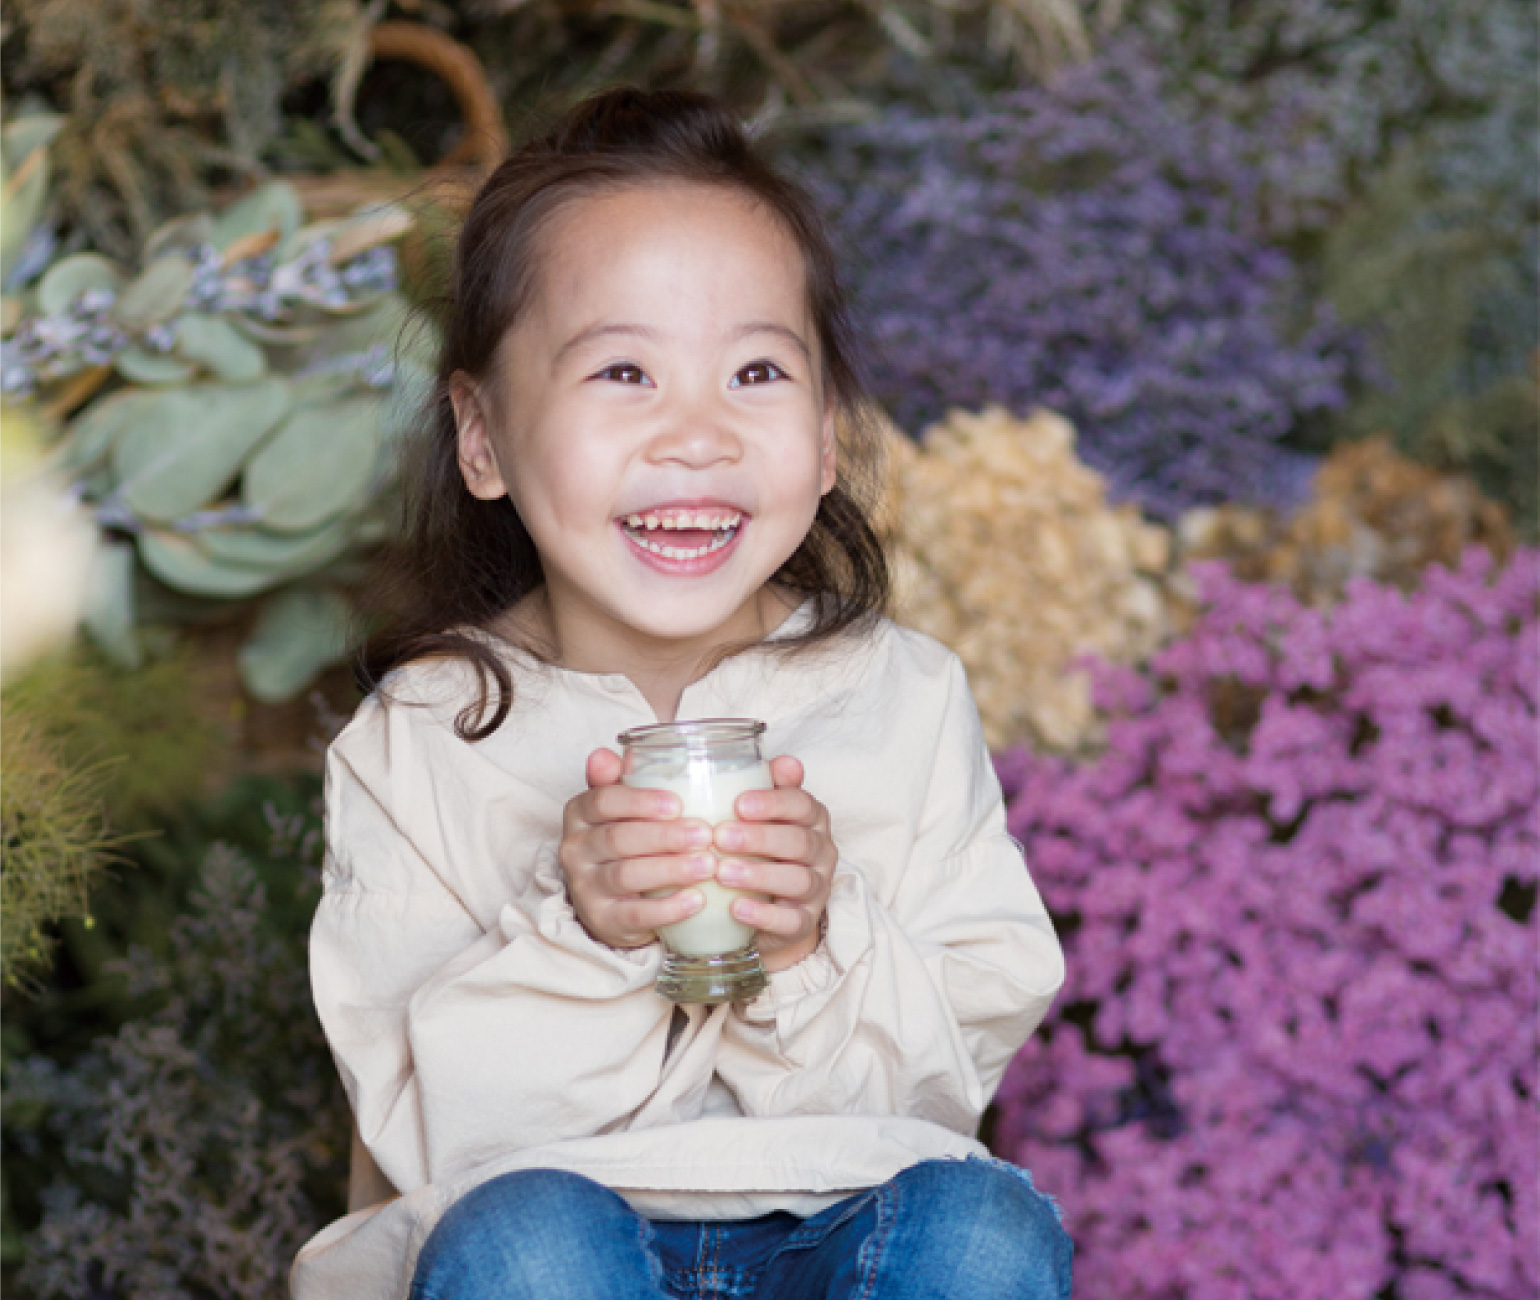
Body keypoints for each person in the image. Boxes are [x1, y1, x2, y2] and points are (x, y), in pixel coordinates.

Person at [293, 87, 1070, 1300]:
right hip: (556, 1244)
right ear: (482, 435)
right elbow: (427, 1128)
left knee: (985, 1229)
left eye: (756, 370)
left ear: (825, 436)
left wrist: (815, 942)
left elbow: (943, 1087)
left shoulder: (902, 697)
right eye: (622, 371)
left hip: (839, 1230)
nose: (697, 434)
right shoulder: (426, 734)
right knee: (525, 1243)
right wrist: (584, 932)